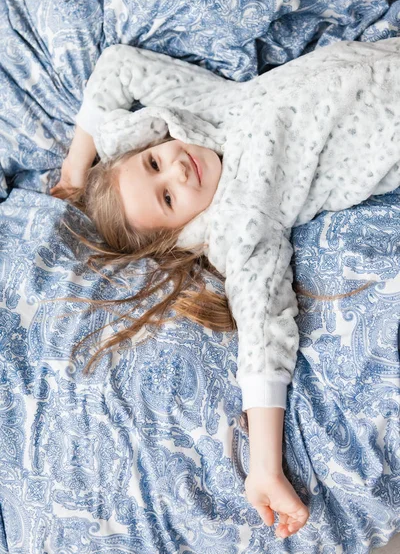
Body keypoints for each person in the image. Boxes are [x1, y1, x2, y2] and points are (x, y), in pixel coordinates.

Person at [50, 38, 400, 539]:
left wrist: (74, 166)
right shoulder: (240, 221)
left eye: (154, 163)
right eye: (169, 197)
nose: (176, 169)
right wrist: (264, 466)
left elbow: (119, 66)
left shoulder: (206, 109)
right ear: (182, 230)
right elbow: (262, 331)